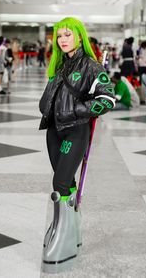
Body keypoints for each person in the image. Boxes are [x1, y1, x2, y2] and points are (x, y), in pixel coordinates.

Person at [39, 17, 115, 273]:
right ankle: (71, 231)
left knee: (60, 183)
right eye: (59, 36)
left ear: (79, 36)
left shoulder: (91, 66)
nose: (62, 40)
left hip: (75, 131)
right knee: (65, 184)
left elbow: (107, 99)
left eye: (67, 35)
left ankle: (64, 237)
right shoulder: (60, 65)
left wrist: (77, 110)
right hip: (53, 131)